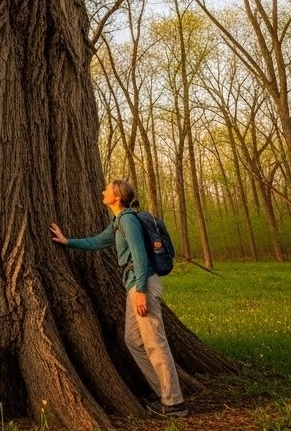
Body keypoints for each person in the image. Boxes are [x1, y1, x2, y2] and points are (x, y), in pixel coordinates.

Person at [50, 179, 188, 417]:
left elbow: (139, 255)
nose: (103, 191)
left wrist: (141, 291)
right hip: (134, 287)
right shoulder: (117, 223)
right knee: (134, 340)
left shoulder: (128, 220)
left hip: (141, 285)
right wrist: (66, 241)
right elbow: (95, 242)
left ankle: (175, 403)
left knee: (155, 342)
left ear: (117, 195)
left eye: (107, 189)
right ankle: (163, 393)